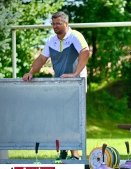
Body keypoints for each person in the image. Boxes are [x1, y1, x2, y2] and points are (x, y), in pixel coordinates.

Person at [22, 11, 90, 160]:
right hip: (60, 85)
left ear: (66, 23)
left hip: (76, 84)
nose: (55, 26)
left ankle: (76, 155)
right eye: (53, 24)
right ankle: (64, 150)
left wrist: (75, 74)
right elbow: (41, 58)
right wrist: (31, 72)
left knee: (73, 119)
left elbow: (85, 52)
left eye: (58, 23)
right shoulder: (52, 40)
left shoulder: (75, 36)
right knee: (61, 118)